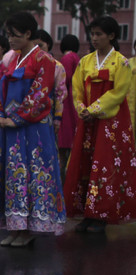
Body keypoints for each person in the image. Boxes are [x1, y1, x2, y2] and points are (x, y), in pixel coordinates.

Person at [0, 12, 65, 247]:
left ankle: (29, 229)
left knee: (32, 175)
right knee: (13, 177)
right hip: (11, 128)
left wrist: (16, 119)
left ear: (28, 34)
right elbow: (2, 90)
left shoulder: (44, 60)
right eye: (8, 35)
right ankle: (15, 227)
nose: (10, 39)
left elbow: (39, 95)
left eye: (14, 35)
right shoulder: (13, 60)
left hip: (33, 130)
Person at [63, 16, 136, 232]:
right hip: (88, 122)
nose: (94, 38)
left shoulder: (121, 62)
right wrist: (81, 109)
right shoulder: (85, 61)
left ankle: (102, 215)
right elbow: (76, 89)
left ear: (111, 36)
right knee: (85, 162)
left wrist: (94, 109)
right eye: (92, 34)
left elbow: (119, 92)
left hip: (110, 122)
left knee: (105, 164)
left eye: (99, 34)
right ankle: (86, 212)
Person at [57, 34, 81, 172]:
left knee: (65, 129)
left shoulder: (66, 58)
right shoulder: (77, 58)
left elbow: (63, 79)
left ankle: (63, 169)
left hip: (66, 97)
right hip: (74, 94)